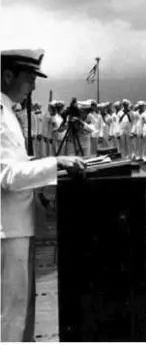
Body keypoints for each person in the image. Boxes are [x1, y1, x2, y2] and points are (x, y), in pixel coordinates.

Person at [1, 48, 86, 341]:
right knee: (9, 315)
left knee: (17, 311)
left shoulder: (8, 111)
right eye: (29, 78)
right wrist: (55, 163)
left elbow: (17, 164)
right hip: (7, 228)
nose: (33, 86)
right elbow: (7, 175)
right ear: (8, 75)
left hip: (17, 224)